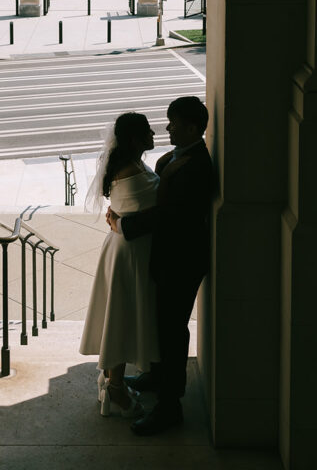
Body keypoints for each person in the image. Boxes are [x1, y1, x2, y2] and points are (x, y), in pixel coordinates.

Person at [108, 95, 214, 436]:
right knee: (161, 322)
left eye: (174, 122)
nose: (167, 127)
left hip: (182, 261)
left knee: (172, 331)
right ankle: (156, 376)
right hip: (167, 257)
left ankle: (171, 407)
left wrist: (123, 226)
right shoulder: (178, 157)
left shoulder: (197, 166)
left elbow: (170, 216)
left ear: (192, 127)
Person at [79, 111, 159, 417]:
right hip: (131, 254)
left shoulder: (128, 165)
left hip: (121, 248)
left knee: (118, 318)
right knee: (123, 321)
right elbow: (162, 206)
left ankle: (112, 381)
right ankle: (115, 389)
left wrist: (117, 220)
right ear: (136, 138)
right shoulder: (135, 175)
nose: (155, 134)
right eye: (149, 132)